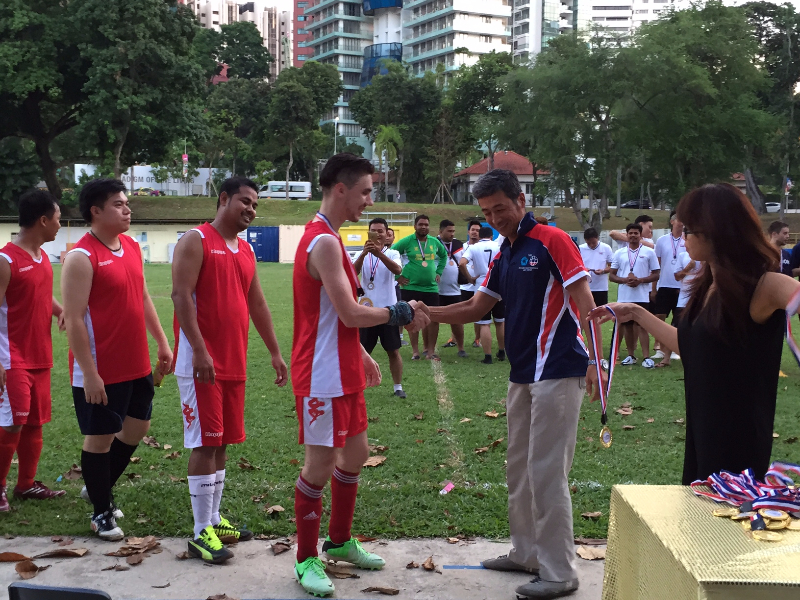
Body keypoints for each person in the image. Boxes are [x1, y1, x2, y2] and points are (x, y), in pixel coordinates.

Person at [426, 169, 602, 600]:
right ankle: (526, 554)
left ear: (521, 201)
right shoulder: (504, 251)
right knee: (519, 468)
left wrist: (597, 360)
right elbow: (476, 307)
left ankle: (560, 572)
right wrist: (425, 312)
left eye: (500, 209)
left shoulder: (552, 240)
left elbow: (585, 300)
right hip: (522, 373)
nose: (494, 218)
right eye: (487, 212)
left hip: (559, 369)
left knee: (547, 472)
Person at [590, 183, 800, 483]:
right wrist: (635, 312)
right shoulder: (708, 285)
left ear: (716, 231)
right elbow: (691, 347)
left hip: (739, 437)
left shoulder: (764, 284)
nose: (683, 236)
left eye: (688, 229)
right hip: (704, 426)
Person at [291, 154, 429, 597]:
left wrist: (360, 354)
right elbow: (350, 313)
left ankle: (339, 541)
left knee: (356, 453)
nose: (370, 201)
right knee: (319, 465)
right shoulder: (323, 242)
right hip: (321, 373)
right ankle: (305, 558)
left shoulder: (330, 237)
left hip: (342, 364)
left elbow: (336, 315)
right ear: (341, 189)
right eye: (366, 191)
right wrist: (399, 312)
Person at [171, 177, 288, 563]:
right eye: (245, 201)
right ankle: (200, 532)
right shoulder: (196, 240)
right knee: (205, 442)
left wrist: (274, 352)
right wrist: (199, 350)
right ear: (223, 199)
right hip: (201, 363)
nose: (251, 209)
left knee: (221, 441)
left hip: (233, 361)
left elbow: (258, 304)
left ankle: (214, 519)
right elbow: (180, 296)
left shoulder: (246, 249)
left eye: (255, 204)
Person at [63, 178, 173, 541]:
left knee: (137, 427)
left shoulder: (130, 246)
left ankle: (99, 485)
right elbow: (74, 319)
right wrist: (89, 374)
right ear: (96, 211)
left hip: (136, 362)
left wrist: (161, 342)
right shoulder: (81, 257)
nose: (128, 209)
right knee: (100, 438)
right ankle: (101, 511)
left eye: (126, 203)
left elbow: (142, 296)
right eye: (118, 204)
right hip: (101, 367)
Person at [0, 190, 65, 512]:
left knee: (35, 422)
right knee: (12, 423)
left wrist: (59, 310)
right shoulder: (6, 260)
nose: (59, 225)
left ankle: (26, 484)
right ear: (42, 220)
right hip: (11, 358)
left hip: (40, 355)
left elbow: (39, 293)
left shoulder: (42, 257)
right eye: (57, 218)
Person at [353, 218, 406, 398]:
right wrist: (363, 254)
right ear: (368, 233)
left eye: (380, 231)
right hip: (366, 312)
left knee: (393, 350)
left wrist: (379, 254)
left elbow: (397, 270)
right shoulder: (361, 253)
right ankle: (358, 386)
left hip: (388, 312)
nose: (377, 234)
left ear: (386, 234)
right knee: (362, 351)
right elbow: (352, 272)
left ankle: (398, 387)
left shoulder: (392, 253)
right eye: (373, 230)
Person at [392, 215, 447, 360]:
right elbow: (391, 254)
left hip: (431, 288)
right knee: (412, 318)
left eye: (426, 225)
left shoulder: (434, 242)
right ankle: (415, 351)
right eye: (421, 224)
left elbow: (444, 256)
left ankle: (431, 351)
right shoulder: (407, 241)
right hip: (410, 287)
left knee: (433, 319)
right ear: (415, 226)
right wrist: (398, 277)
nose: (424, 227)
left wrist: (439, 271)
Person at [609, 224, 660, 368]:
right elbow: (612, 276)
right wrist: (625, 280)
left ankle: (646, 357)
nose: (633, 235)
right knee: (627, 326)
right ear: (626, 235)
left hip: (641, 296)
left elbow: (656, 273)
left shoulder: (649, 252)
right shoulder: (619, 253)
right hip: (624, 296)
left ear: (640, 235)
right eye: (630, 233)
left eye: (636, 233)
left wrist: (641, 280)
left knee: (642, 326)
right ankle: (631, 355)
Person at [460, 227, 505, 364]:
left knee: (484, 323)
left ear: (480, 236)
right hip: (498, 285)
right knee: (500, 321)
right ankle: (502, 351)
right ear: (491, 236)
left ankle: (488, 356)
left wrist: (470, 278)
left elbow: (462, 263)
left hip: (482, 285)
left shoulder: (473, 247)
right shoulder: (499, 246)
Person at [651, 212, 686, 367]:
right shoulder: (662, 240)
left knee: (678, 319)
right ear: (672, 221)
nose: (682, 222)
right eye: (679, 219)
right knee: (660, 316)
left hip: (681, 286)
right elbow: (656, 265)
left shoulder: (687, 240)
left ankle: (675, 349)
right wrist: (654, 288)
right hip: (664, 284)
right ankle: (659, 347)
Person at [436, 220, 468, 358]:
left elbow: (463, 263)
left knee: (457, 320)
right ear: (440, 231)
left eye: (453, 231)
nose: (452, 234)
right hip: (436, 290)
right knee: (433, 320)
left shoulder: (458, 245)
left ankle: (461, 348)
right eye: (449, 231)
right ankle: (429, 348)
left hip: (454, 290)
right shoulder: (433, 243)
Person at [579, 228, 613, 308]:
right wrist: (583, 270)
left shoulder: (606, 248)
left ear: (597, 238)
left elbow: (612, 266)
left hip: (601, 287)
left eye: (593, 242)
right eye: (589, 243)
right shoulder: (580, 248)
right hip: (585, 286)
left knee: (600, 311)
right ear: (585, 240)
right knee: (585, 310)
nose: (591, 245)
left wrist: (603, 271)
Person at [673, 250, 700, 324]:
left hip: (700, 298)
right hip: (683, 300)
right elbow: (677, 277)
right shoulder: (683, 255)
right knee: (678, 326)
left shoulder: (706, 257)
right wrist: (688, 268)